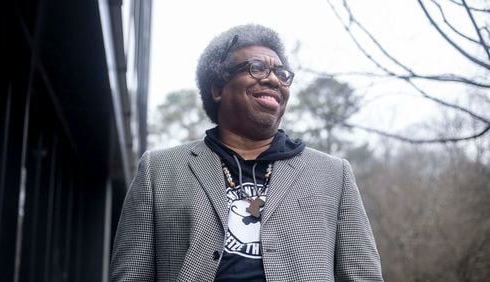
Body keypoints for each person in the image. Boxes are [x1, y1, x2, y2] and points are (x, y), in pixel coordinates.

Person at [110, 24, 383, 281]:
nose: (274, 80)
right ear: (218, 88)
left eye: (282, 73)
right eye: (257, 68)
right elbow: (131, 275)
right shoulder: (159, 170)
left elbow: (362, 276)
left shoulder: (333, 174)